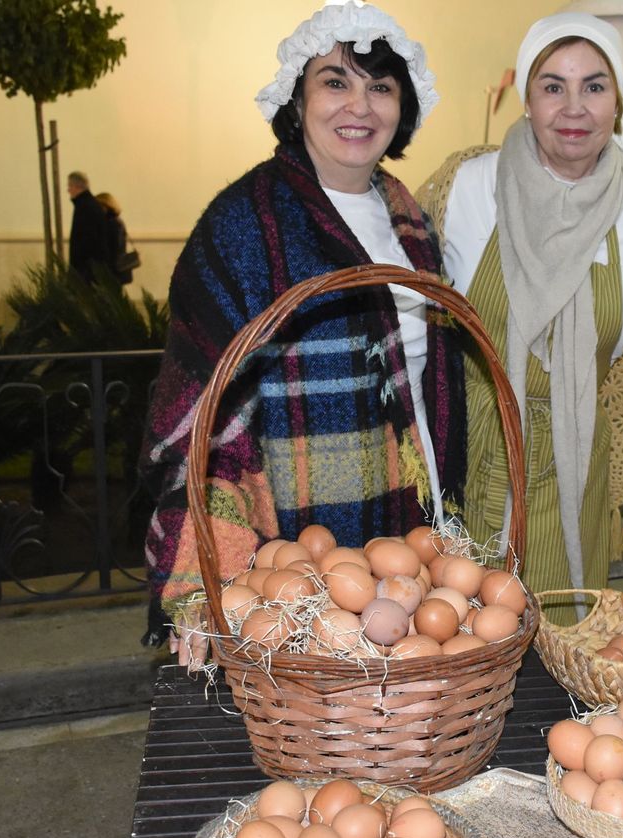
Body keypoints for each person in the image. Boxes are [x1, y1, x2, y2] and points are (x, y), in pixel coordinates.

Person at [140, 3, 465, 661]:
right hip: (292, 530)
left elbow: (426, 381)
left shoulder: (409, 218)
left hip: (409, 510)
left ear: (402, 107)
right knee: (305, 697)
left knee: (399, 692)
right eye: (335, 81)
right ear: (298, 97)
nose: (360, 106)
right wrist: (205, 577)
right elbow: (203, 415)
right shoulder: (242, 224)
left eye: (381, 86)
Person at [419, 12, 623, 601]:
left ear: (618, 103)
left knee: (558, 637)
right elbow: (398, 308)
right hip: (455, 459)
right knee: (446, 635)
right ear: (527, 100)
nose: (574, 108)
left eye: (594, 86)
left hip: (570, 470)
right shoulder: (466, 187)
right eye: (553, 86)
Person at [67, 171, 114, 283]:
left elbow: (85, 241)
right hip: (92, 268)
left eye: (70, 186)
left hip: (86, 270)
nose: (68, 190)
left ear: (77, 187)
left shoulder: (84, 207)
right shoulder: (90, 204)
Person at [94, 192, 134, 285]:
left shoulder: (112, 223)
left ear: (106, 206)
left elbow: (115, 247)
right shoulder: (116, 221)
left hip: (113, 268)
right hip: (115, 268)